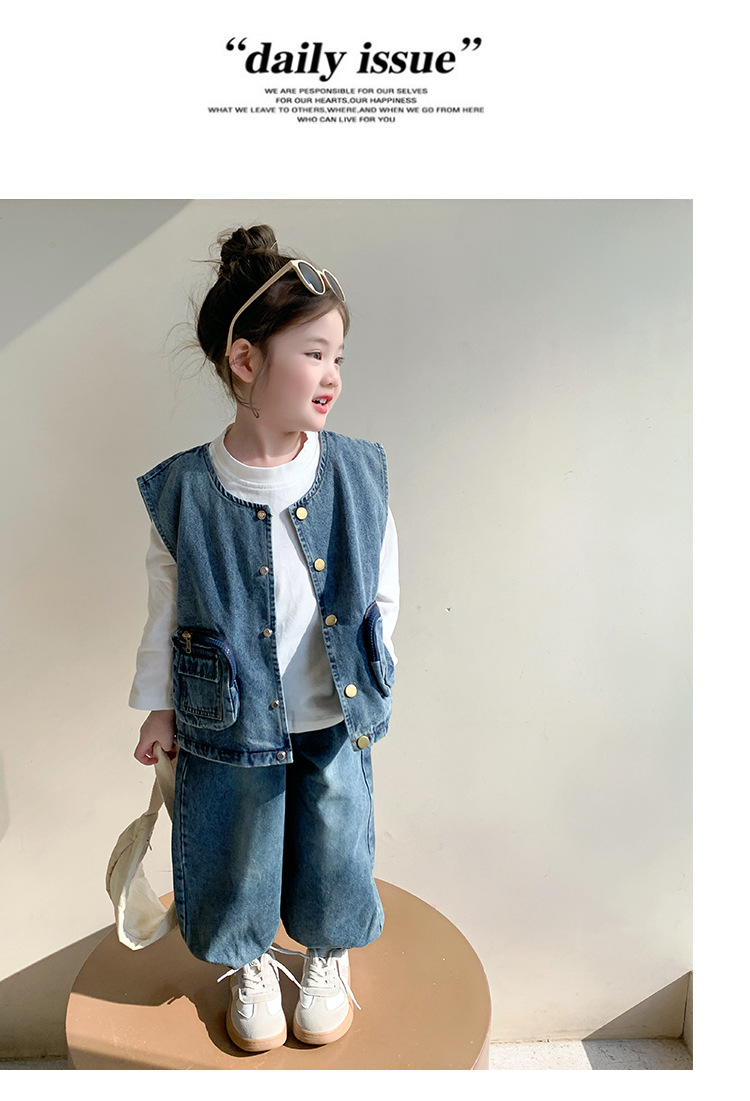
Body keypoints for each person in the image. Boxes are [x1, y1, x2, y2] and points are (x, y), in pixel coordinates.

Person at [129, 224, 399, 1053]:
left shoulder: (358, 469)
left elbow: (383, 586)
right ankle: (247, 959)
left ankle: (327, 953)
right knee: (237, 843)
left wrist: (375, 666)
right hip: (227, 719)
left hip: (332, 710)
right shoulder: (184, 489)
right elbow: (166, 609)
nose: (333, 375)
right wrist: (158, 707)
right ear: (246, 360)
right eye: (314, 354)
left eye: (339, 356)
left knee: (335, 836)